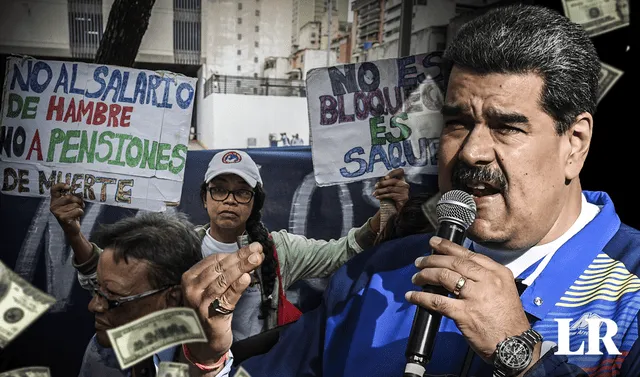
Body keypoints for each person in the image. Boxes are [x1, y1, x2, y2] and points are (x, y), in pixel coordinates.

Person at [178, 4, 640, 376]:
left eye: (506, 128)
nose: (472, 152)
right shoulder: (375, 275)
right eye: (457, 122)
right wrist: (210, 359)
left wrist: (521, 355)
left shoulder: (630, 294)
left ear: (574, 143)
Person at [50, 150, 409, 339]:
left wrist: (388, 209)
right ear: (205, 198)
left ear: (254, 201)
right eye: (219, 189)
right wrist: (72, 231)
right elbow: (103, 277)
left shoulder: (278, 250)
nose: (229, 200)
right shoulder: (179, 247)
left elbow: (343, 252)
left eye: (241, 192)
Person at [76, 212, 202, 377]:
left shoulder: (207, 364)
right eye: (97, 289)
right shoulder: (103, 349)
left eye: (113, 296)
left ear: (172, 299)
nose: (94, 306)